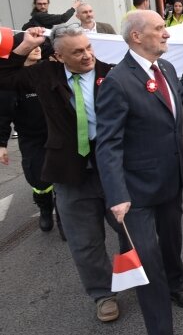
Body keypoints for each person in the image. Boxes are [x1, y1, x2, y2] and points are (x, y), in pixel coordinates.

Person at [0, 24, 124, 323]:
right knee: (85, 240)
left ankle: (139, 277)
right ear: (58, 56)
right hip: (70, 171)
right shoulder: (44, 76)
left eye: (88, 48)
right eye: (77, 52)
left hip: (114, 168)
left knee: (134, 230)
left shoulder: (112, 73)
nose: (86, 56)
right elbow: (3, 78)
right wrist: (25, 46)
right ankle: (103, 294)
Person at [96, 10, 183, 335]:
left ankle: (176, 285)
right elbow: (108, 144)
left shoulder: (167, 68)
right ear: (136, 37)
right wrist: (116, 195)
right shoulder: (118, 82)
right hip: (135, 194)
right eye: (159, 29)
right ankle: (161, 328)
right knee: (148, 263)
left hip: (171, 183)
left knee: (171, 243)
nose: (167, 34)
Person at [0, 41, 64, 237]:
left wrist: (39, 38)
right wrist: (2, 144)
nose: (35, 49)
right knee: (38, 179)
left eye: (37, 46)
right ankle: (45, 206)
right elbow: (3, 114)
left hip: (59, 135)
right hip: (31, 138)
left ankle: (64, 216)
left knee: (64, 177)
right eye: (29, 47)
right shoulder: (12, 82)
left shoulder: (48, 71)